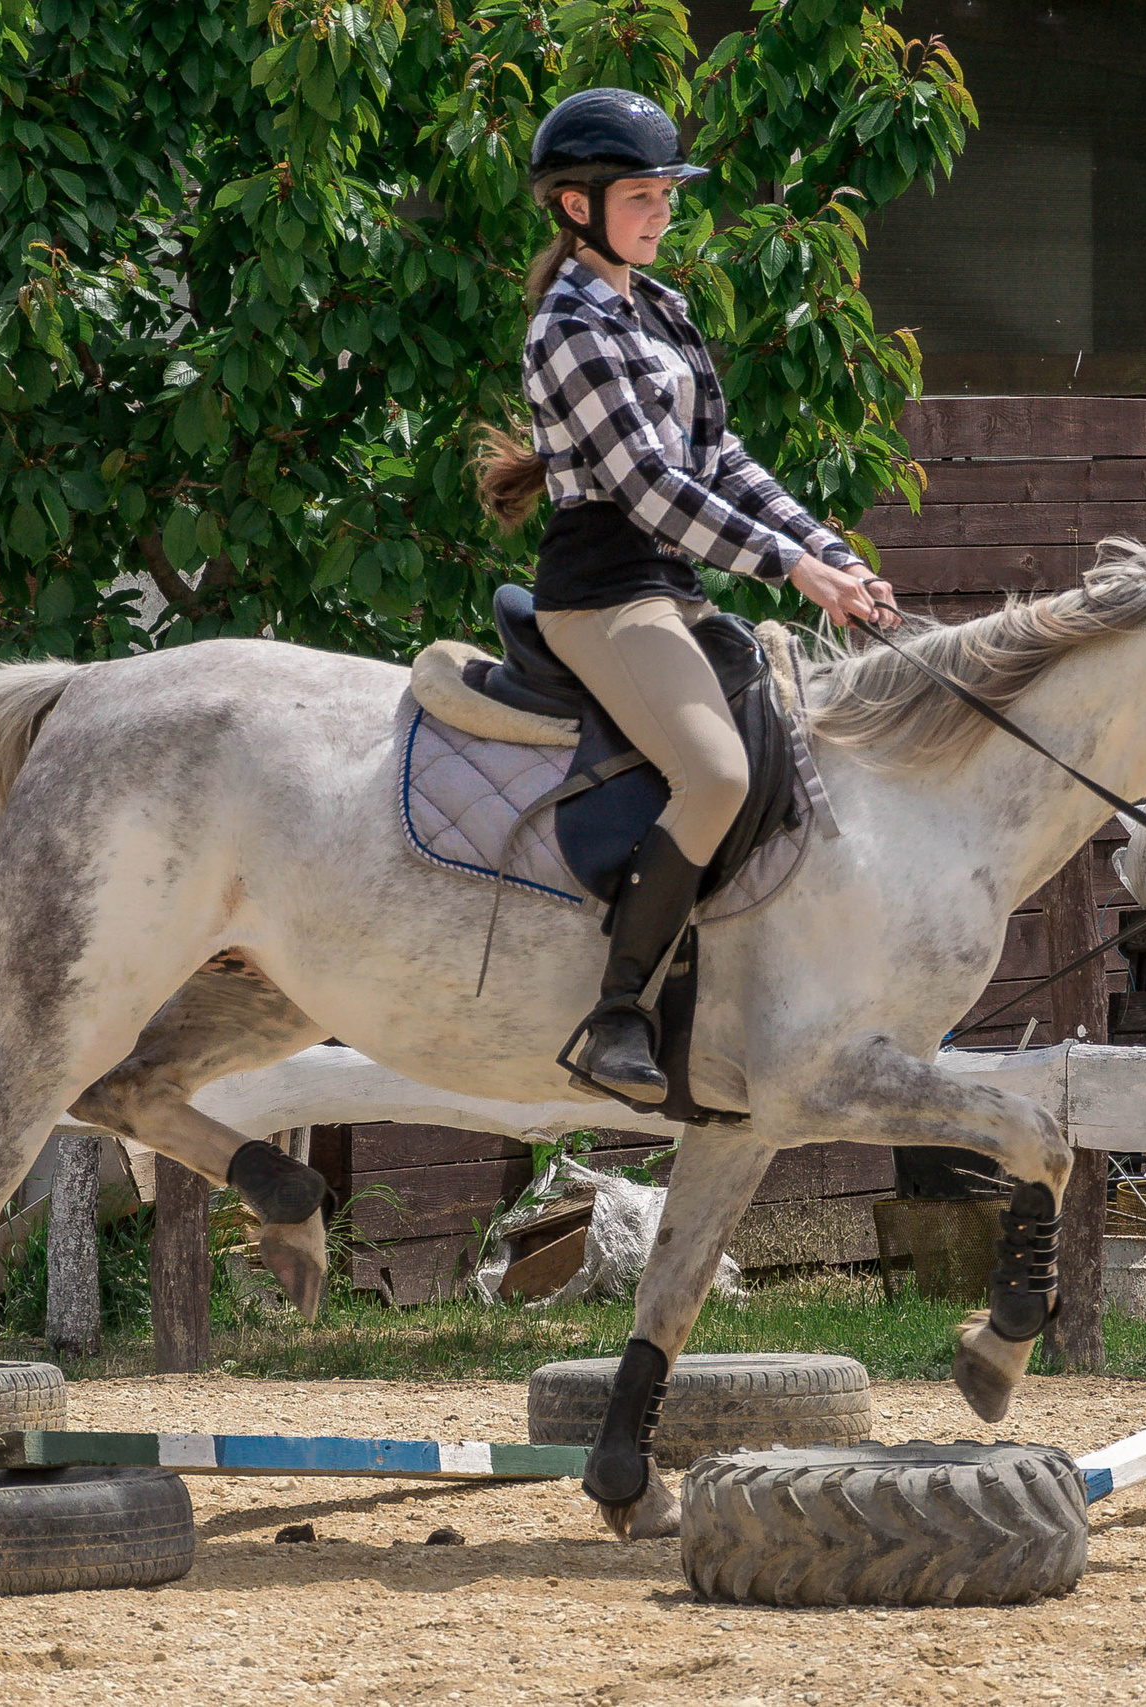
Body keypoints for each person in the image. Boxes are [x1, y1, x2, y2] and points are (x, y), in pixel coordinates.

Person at [475, 88, 893, 1106]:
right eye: (642, 194)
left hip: (668, 587)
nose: (664, 209)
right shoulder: (568, 327)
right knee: (713, 775)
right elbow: (654, 491)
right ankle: (617, 1013)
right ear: (577, 207)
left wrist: (827, 547)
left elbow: (721, 459)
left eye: (668, 191)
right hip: (605, 595)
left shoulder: (658, 308)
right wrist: (789, 570)